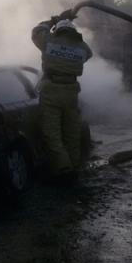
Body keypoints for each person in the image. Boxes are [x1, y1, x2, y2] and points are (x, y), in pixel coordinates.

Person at [32, 13, 92, 181]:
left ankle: (64, 169)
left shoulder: (49, 41)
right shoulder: (81, 47)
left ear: (57, 31)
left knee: (52, 134)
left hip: (51, 91)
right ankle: (75, 166)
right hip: (71, 92)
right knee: (72, 133)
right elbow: (89, 53)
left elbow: (37, 31)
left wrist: (54, 20)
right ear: (73, 33)